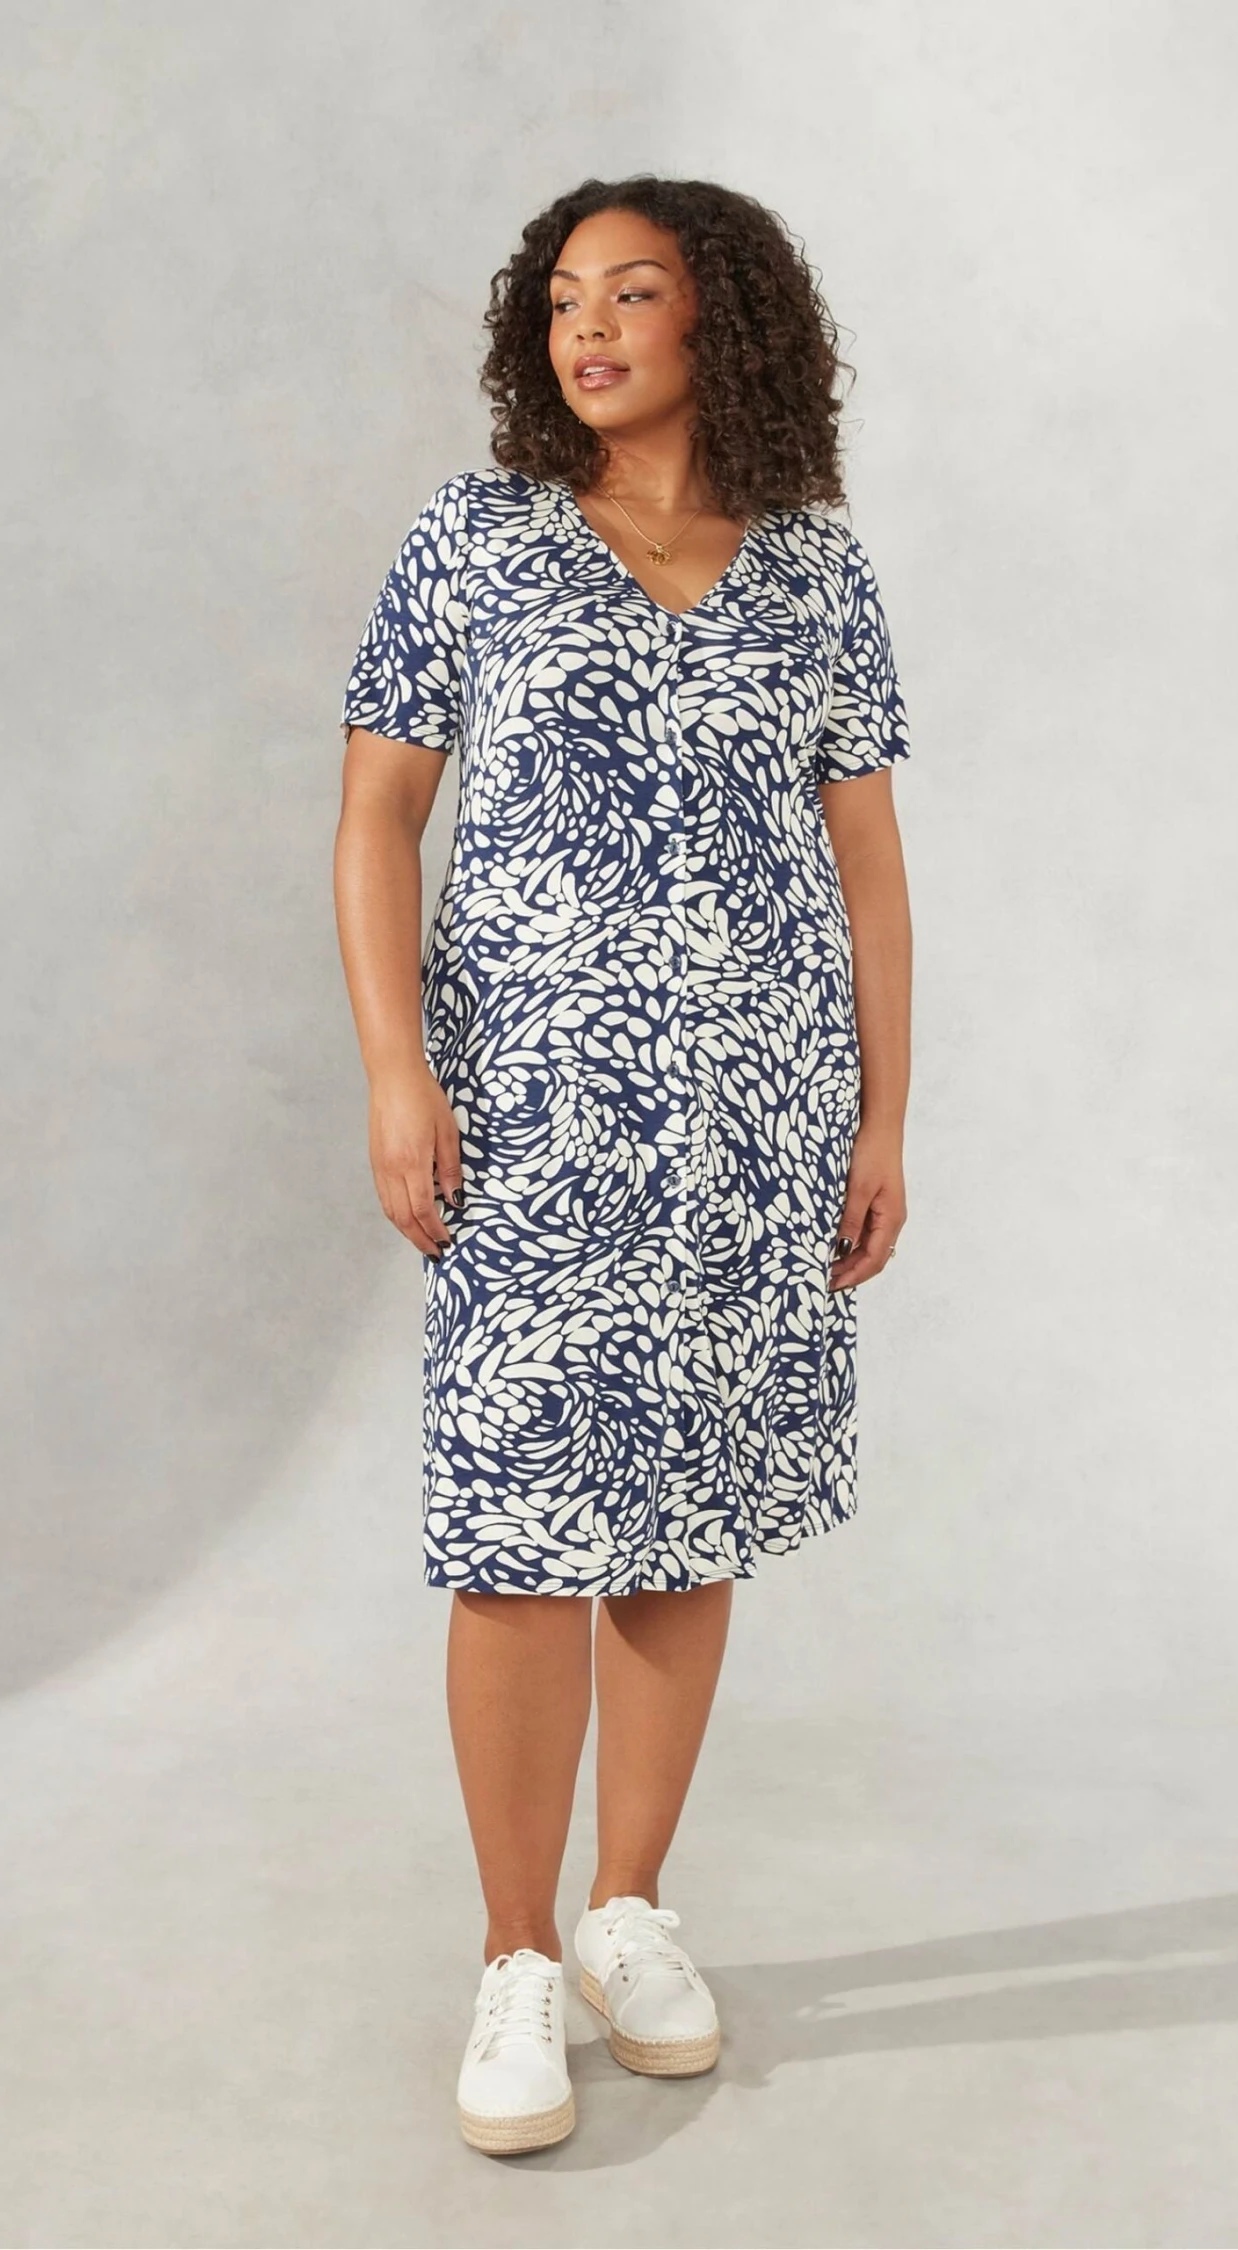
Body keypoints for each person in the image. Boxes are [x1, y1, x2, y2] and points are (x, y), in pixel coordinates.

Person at [331, 173, 913, 2156]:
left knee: (688, 1511)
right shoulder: (477, 538)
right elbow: (375, 821)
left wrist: (880, 1117)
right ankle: (513, 1957)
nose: (586, 326)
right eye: (565, 295)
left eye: (633, 292)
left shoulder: (814, 569)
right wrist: (398, 1076)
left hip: (754, 1127)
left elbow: (869, 870)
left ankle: (627, 1912)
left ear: (717, 320)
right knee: (517, 1530)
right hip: (533, 1126)